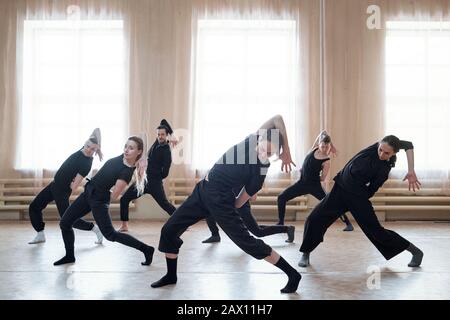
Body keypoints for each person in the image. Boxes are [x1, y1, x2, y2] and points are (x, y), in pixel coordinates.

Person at [151, 115, 302, 294]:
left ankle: (293, 274)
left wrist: (227, 208)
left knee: (248, 243)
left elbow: (241, 201)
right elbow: (277, 118)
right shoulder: (251, 140)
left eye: (270, 154)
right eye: (264, 149)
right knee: (169, 230)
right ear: (260, 137)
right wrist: (287, 151)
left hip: (221, 202)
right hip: (202, 190)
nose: (264, 154)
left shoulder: (261, 171)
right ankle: (171, 275)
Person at [298, 135, 424, 269]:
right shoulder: (373, 148)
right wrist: (411, 170)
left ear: (393, 153)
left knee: (377, 232)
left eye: (386, 153)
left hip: (358, 198)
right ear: (379, 144)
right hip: (339, 190)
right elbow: (409, 144)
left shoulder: (384, 169)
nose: (381, 154)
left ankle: (415, 251)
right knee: (314, 218)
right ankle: (306, 252)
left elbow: (372, 189)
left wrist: (360, 198)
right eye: (380, 149)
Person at [53, 136, 154, 266]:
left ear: (138, 151)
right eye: (126, 146)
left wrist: (101, 194)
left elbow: (115, 195)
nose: (127, 150)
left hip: (98, 200)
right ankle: (69, 256)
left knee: (110, 235)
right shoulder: (122, 158)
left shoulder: (127, 172)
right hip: (88, 193)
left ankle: (147, 249)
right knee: (65, 223)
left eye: (131, 148)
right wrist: (98, 149)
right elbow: (97, 133)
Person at [28, 128, 104, 244]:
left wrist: (72, 182)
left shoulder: (87, 163)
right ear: (85, 143)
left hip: (62, 191)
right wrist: (97, 138)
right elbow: (95, 135)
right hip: (53, 185)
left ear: (96, 149)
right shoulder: (83, 149)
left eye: (92, 149)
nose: (88, 150)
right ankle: (40, 234)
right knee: (34, 206)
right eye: (87, 146)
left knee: (68, 219)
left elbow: (74, 187)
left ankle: (94, 229)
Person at [277, 130, 353, 231]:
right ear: (318, 144)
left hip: (314, 186)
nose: (325, 149)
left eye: (327, 147)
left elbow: (322, 178)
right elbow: (323, 132)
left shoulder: (326, 161)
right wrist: (332, 145)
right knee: (281, 197)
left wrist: (309, 174)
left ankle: (348, 224)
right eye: (323, 146)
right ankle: (281, 222)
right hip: (301, 184)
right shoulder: (313, 149)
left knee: (332, 203)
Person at [118, 119, 178, 232]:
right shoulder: (156, 142)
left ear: (166, 135)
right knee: (124, 199)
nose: (160, 136)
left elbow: (165, 173)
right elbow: (163, 121)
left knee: (165, 204)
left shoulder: (166, 151)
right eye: (158, 134)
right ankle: (124, 225)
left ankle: (183, 221)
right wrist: (173, 135)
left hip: (155, 183)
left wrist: (155, 175)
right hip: (143, 181)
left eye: (163, 135)